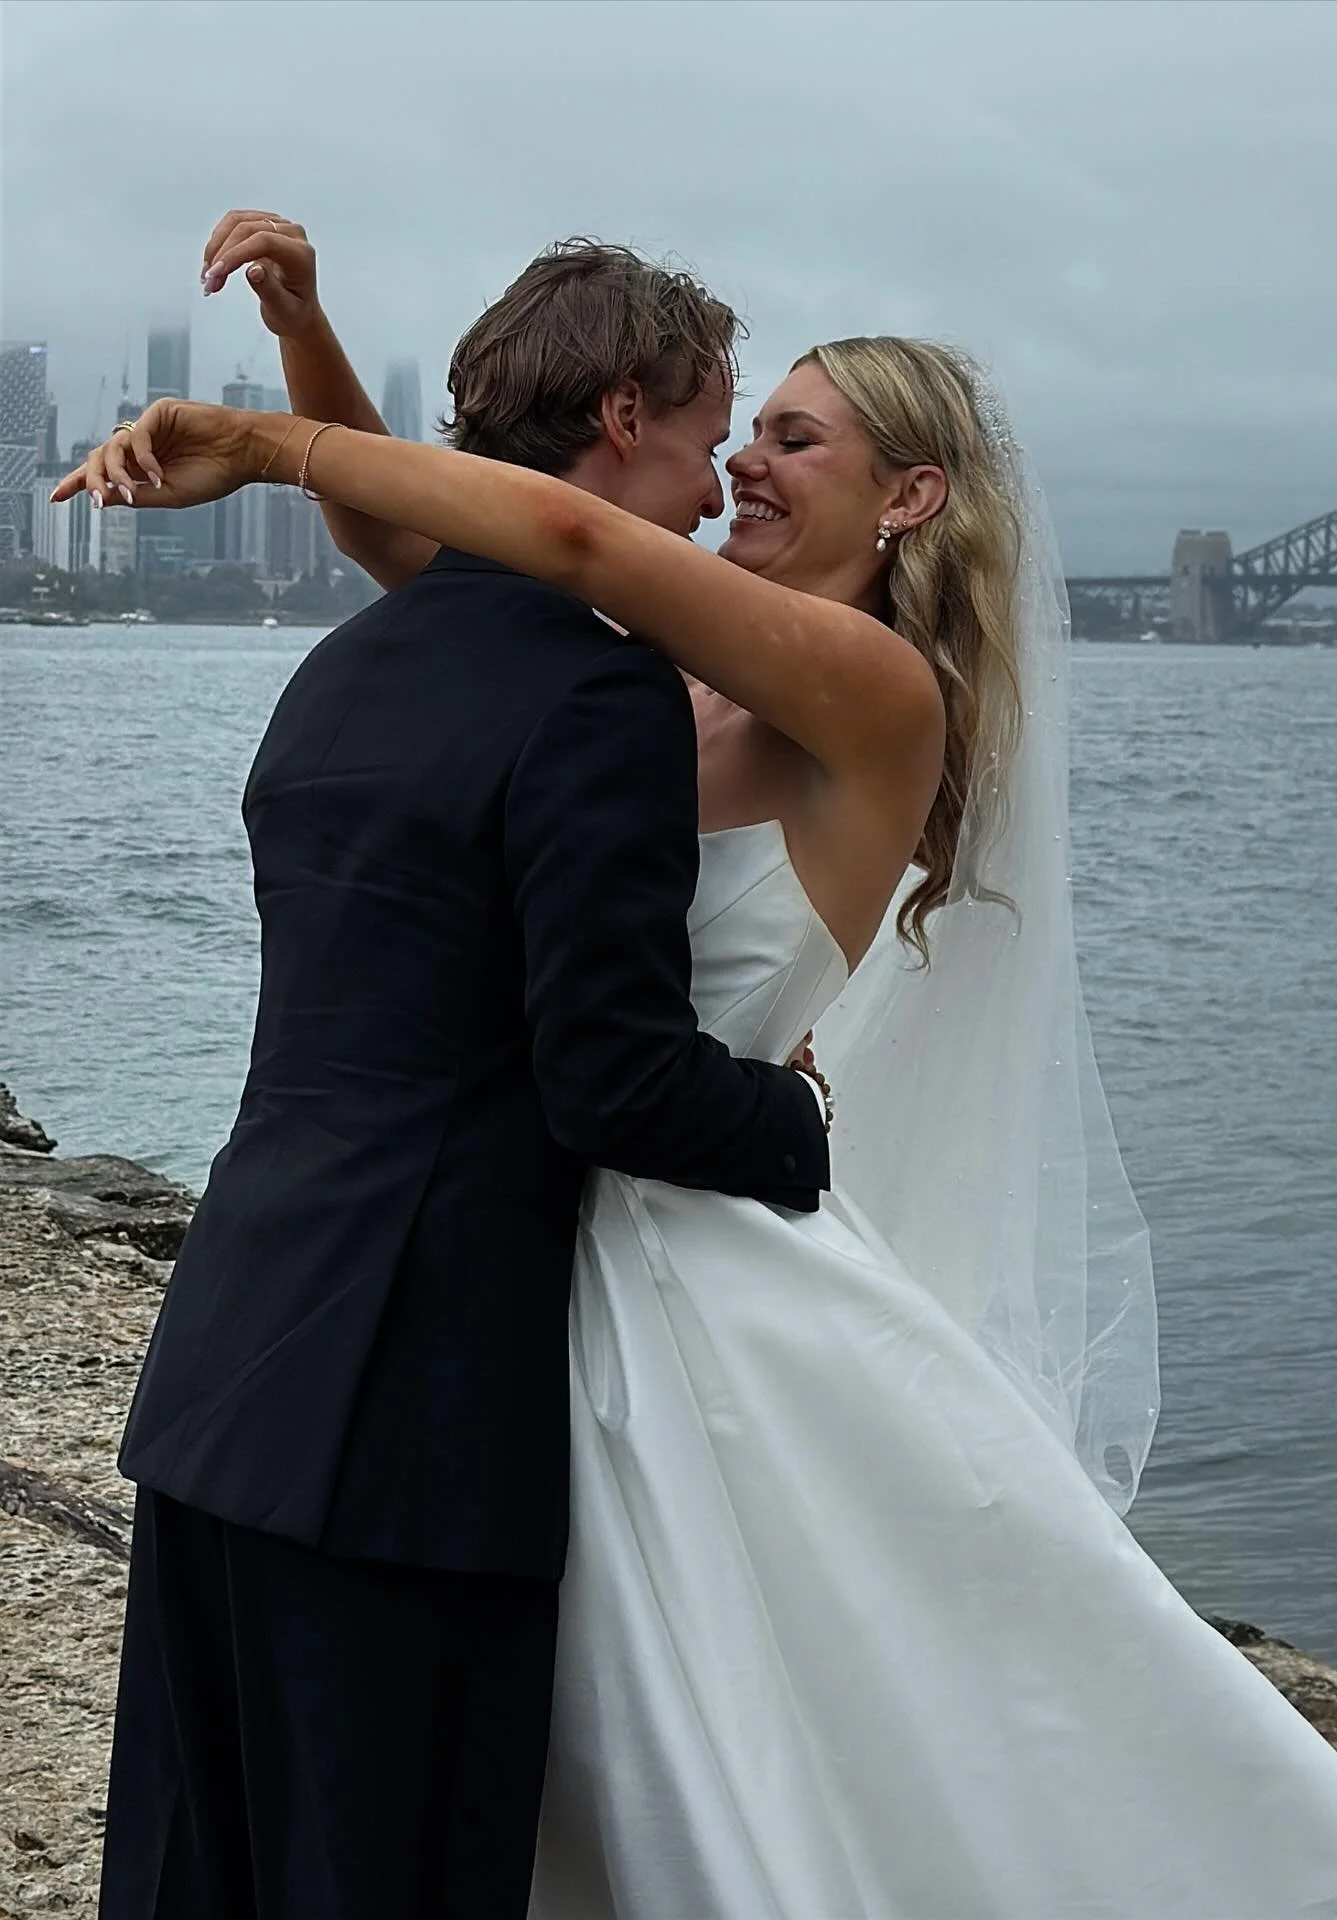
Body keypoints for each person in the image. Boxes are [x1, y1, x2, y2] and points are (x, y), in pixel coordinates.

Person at [61, 219, 1337, 1914]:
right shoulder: (630, 678)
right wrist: (306, 338)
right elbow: (444, 548)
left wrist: (271, 438)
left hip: (683, 1238)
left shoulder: (870, 692)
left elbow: (547, 520)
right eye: (737, 423)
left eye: (792, 438)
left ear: (913, 500)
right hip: (532, 1249)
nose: (734, 471)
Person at [80, 241, 833, 1920]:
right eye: (711, 427)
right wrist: (802, 1121)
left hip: (227, 1365)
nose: (719, 478)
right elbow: (612, 1081)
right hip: (409, 1421)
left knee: (196, 1873)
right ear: (622, 414)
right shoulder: (594, 690)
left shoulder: (351, 665)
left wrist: (298, 339)